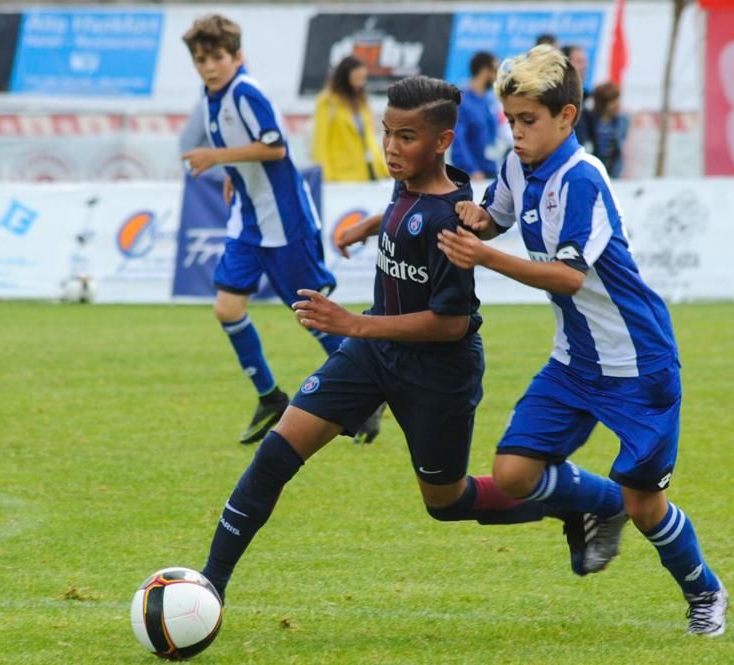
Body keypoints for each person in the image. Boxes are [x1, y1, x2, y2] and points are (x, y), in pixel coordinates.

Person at [199, 75, 617, 607]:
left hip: (438, 372)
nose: (392, 149)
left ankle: (585, 501)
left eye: (406, 137)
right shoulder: (411, 178)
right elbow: (406, 210)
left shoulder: (452, 221)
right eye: (387, 133)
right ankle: (209, 584)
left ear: (442, 141)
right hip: (374, 353)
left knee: (445, 501)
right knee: (277, 451)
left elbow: (450, 324)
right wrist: (370, 227)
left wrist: (353, 325)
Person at [438, 45, 729, 636]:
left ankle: (704, 590)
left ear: (567, 118)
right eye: (511, 121)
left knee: (646, 505)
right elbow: (494, 216)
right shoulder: (519, 166)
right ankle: (601, 505)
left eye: (529, 121)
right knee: (515, 471)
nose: (516, 134)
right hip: (574, 360)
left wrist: (486, 256)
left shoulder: (584, 178)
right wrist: (463, 214)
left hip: (638, 364)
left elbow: (569, 274)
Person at [180, 15, 382, 445]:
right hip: (250, 222)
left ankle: (367, 393)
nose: (209, 66)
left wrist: (218, 158)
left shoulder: (245, 92)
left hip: (285, 221)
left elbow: (275, 146)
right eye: (201, 59)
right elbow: (250, 150)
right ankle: (271, 397)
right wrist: (234, 170)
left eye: (217, 57)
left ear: (236, 56)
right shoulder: (212, 95)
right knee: (227, 309)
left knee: (313, 315)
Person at [312, 56, 389, 182]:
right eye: (357, 78)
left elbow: (369, 139)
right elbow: (320, 143)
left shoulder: (362, 102)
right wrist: (326, 177)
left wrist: (383, 168)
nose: (361, 82)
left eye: (363, 78)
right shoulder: (326, 102)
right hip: (340, 177)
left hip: (368, 174)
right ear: (345, 77)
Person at [452, 51, 501, 181]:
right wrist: (472, 170)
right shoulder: (463, 102)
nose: (498, 76)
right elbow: (458, 140)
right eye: (496, 70)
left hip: (490, 171)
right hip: (472, 176)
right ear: (485, 71)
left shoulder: (488, 100)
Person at [590, 82, 630, 178]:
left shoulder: (622, 121)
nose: (617, 104)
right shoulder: (590, 120)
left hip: (613, 171)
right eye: (613, 101)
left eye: (617, 100)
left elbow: (620, 145)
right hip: (594, 169)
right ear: (603, 103)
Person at [562, 45, 596, 151]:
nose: (584, 66)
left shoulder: (588, 98)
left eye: (585, 61)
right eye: (579, 61)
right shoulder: (557, 97)